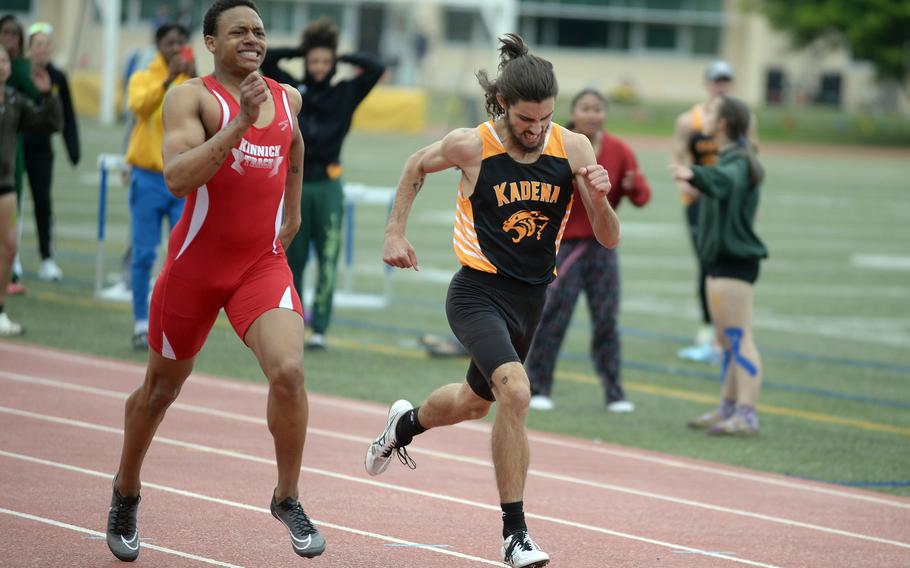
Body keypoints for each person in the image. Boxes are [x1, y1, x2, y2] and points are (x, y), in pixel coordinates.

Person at [364, 34, 619, 568]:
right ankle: (515, 535)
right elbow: (414, 166)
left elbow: (607, 236)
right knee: (517, 393)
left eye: (546, 118)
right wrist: (394, 233)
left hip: (532, 298)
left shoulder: (573, 147)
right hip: (477, 291)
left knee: (472, 403)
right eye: (527, 119)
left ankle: (402, 426)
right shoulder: (471, 144)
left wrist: (598, 196)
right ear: (504, 105)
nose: (536, 129)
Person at [105, 0, 324, 561]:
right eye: (237, 32)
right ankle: (126, 490)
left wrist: (291, 212)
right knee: (160, 391)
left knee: (290, 372)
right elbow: (177, 177)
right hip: (196, 267)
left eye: (258, 31)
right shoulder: (191, 97)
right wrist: (241, 123)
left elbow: (294, 144)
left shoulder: (287, 96)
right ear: (210, 42)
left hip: (259, 262)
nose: (252, 39)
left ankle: (287, 496)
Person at [261, 17, 385, 350]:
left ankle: (321, 329)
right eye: (313, 61)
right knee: (293, 259)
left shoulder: (345, 92)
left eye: (325, 61)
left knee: (328, 257)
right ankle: (295, 323)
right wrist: (301, 51)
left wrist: (342, 56)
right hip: (295, 183)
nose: (318, 67)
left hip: (329, 186)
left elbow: (375, 68)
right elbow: (267, 60)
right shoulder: (289, 90)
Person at [526, 89, 650, 413]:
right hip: (565, 247)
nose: (592, 114)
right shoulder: (558, 145)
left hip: (602, 249)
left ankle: (615, 393)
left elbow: (641, 196)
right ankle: (538, 387)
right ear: (574, 112)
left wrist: (632, 184)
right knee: (553, 316)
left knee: (607, 320)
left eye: (598, 109)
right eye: (586, 108)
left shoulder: (619, 150)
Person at [670, 95, 767, 436]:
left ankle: (746, 413)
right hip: (717, 261)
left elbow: (724, 182)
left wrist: (693, 173)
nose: (704, 116)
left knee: (740, 338)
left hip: (734, 261)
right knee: (727, 340)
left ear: (723, 124)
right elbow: (719, 187)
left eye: (710, 112)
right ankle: (728, 407)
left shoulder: (739, 161)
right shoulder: (727, 158)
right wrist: (695, 182)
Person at [671, 60, 757, 364]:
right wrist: (689, 185)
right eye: (716, 81)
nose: (721, 86)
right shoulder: (690, 120)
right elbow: (678, 155)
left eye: (726, 81)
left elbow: (751, 156)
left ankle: (725, 333)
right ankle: (712, 329)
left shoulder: (740, 119)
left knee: (720, 262)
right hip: (699, 201)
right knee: (706, 262)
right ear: (707, 83)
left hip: (726, 200)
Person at [123, 22, 195, 350]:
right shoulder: (144, 77)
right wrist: (167, 80)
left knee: (182, 256)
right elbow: (140, 107)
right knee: (143, 253)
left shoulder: (192, 82)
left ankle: (170, 322)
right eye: (170, 42)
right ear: (158, 45)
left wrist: (192, 78)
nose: (175, 48)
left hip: (181, 179)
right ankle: (141, 322)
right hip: (149, 177)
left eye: (180, 42)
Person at [0, 44, 61, 335]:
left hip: (6, 188)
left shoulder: (14, 101)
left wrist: (47, 94)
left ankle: (0, 310)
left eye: (3, 60)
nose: (1, 65)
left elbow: (49, 123)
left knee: (9, 246)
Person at [23, 22, 80, 281]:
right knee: (10, 203)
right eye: (38, 44)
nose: (42, 50)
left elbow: (67, 116)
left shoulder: (57, 77)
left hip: (42, 149)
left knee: (43, 202)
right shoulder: (17, 73)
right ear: (29, 48)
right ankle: (10, 260)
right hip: (14, 147)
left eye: (47, 45)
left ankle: (46, 258)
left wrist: (73, 150)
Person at [0, 14, 37, 296]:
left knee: (10, 237)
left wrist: (47, 95)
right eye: (5, 33)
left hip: (9, 170)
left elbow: (42, 114)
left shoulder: (21, 75)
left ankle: (8, 279)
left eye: (14, 34)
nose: (9, 39)